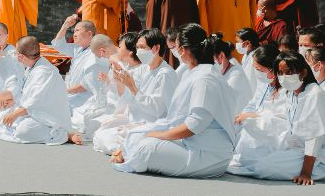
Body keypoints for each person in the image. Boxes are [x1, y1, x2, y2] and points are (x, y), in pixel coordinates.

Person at [110, 24, 239, 178]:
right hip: (192, 143)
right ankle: (129, 154)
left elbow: (194, 126)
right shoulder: (195, 73)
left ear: (182, 50)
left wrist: (158, 135)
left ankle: (130, 157)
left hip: (208, 154)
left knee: (146, 147)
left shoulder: (205, 79)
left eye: (175, 47)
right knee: (136, 136)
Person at [228, 51, 325, 183]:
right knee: (253, 156)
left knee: (266, 166)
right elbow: (282, 120)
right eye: (280, 73)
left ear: (303, 73)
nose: (284, 76)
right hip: (300, 150)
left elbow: (314, 138)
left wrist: (305, 174)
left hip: (323, 160)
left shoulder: (314, 94)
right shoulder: (292, 93)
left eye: (289, 72)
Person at [93, 28, 180, 156]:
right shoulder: (144, 69)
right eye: (137, 47)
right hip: (137, 120)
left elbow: (157, 109)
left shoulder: (165, 74)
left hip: (154, 124)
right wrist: (120, 81)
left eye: (142, 47)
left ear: (156, 48)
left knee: (109, 137)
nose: (138, 51)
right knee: (101, 134)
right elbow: (128, 98)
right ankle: (127, 148)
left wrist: (132, 87)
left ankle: (127, 150)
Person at [0, 35, 71, 145]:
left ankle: (60, 133)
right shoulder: (33, 67)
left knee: (23, 132)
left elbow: (36, 101)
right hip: (34, 112)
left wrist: (15, 114)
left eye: (16, 54)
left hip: (49, 117)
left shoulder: (44, 72)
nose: (16, 57)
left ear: (21, 57)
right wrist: (13, 103)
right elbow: (26, 94)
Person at [68, 34, 120, 145]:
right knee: (86, 117)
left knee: (93, 125)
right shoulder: (113, 61)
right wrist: (108, 80)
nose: (102, 59)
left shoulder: (119, 62)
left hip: (121, 106)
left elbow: (125, 91)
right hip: (111, 100)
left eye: (100, 56)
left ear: (102, 51)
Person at [52, 15, 106, 111]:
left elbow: (89, 83)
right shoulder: (78, 49)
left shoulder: (97, 53)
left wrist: (65, 92)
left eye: (77, 30)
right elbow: (58, 45)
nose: (74, 34)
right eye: (74, 31)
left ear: (89, 34)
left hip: (85, 100)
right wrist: (65, 26)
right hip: (71, 95)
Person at [238, 44, 282, 121]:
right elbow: (253, 103)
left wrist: (251, 117)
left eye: (259, 70)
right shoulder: (264, 82)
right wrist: (244, 114)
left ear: (273, 69)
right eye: (254, 68)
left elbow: (275, 119)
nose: (256, 72)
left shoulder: (284, 91)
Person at [212, 36, 252, 109]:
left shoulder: (235, 77)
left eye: (210, 61)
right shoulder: (224, 72)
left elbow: (228, 107)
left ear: (221, 56)